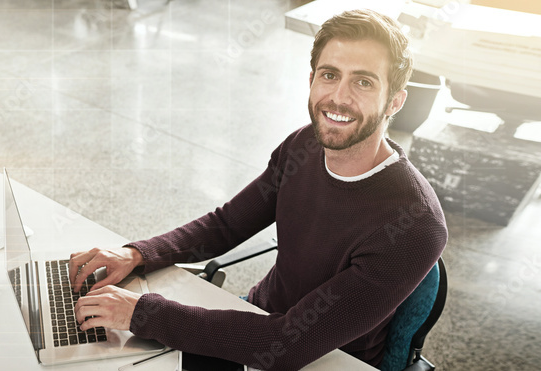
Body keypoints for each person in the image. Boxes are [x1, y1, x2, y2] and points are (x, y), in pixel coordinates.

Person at [66, 9, 448, 371]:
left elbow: (287, 345)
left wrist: (140, 314)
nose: (339, 97)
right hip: (256, 318)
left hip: (327, 356)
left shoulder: (415, 226)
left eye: (363, 82)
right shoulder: (304, 145)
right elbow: (227, 224)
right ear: (312, 79)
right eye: (329, 75)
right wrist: (137, 253)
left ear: (395, 101)